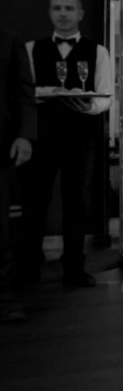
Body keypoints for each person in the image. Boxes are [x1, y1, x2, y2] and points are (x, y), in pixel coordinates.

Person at [17, 0, 112, 291]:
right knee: (35, 204)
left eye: (69, 8)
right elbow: (23, 93)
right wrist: (46, 93)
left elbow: (105, 95)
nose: (63, 13)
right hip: (41, 136)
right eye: (57, 8)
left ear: (80, 13)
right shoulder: (32, 49)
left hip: (81, 137)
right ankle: (29, 269)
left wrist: (91, 107)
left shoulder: (98, 51)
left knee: (77, 204)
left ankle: (75, 269)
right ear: (49, 13)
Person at [1, 27, 37, 319]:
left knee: (1, 228)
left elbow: (24, 93)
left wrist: (26, 135)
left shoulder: (9, 39)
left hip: (2, 144)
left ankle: (4, 300)